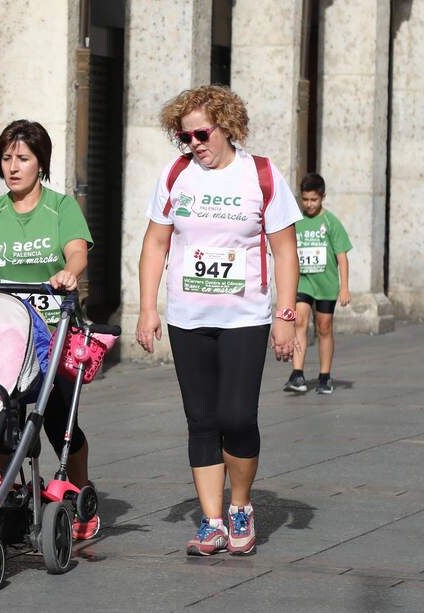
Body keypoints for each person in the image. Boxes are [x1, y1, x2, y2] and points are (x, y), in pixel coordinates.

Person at [136, 85, 301, 556]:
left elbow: (285, 250)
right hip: (188, 317)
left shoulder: (261, 175)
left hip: (245, 316)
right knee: (201, 419)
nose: (194, 144)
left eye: (201, 134)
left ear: (227, 126)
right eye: (184, 136)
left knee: (238, 416)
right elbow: (155, 244)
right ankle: (211, 522)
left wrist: (285, 316)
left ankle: (241, 506)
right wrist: (148, 308)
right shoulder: (176, 175)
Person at [0, 119, 98, 539]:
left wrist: (67, 272)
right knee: (1, 419)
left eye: (22, 158)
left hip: (52, 333)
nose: (13, 166)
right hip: (3, 336)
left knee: (61, 423)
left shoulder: (60, 208)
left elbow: (77, 251)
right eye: (6, 158)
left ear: (40, 162)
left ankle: (78, 497)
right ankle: (5, 497)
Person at [283, 173, 352, 395]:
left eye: (314, 200)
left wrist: (344, 287)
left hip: (326, 284)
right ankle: (297, 373)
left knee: (324, 327)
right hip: (303, 282)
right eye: (305, 199)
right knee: (300, 322)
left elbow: (342, 256)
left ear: (322, 197)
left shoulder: (331, 222)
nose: (309, 204)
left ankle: (324, 375)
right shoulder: (296, 221)